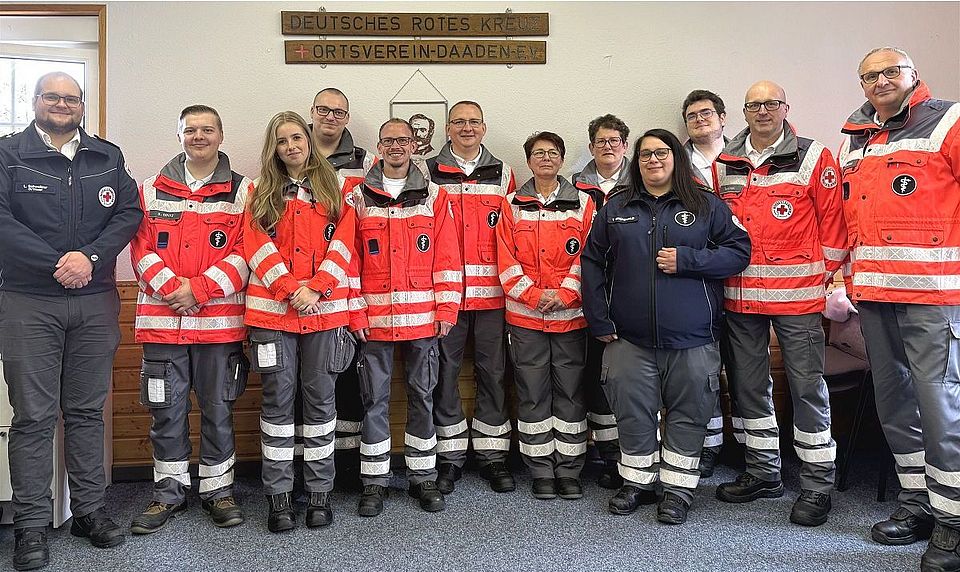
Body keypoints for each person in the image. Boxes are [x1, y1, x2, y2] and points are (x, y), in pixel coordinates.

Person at [0, 71, 142, 570]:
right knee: (34, 417)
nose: (62, 104)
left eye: (71, 98)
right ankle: (31, 525)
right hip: (28, 301)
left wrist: (91, 258)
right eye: (52, 96)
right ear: (34, 101)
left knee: (86, 411)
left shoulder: (107, 156)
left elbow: (129, 213)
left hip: (95, 300)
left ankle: (89, 511)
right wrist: (58, 264)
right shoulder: (8, 154)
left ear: (82, 105)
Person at [581, 128, 750, 524]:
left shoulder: (705, 204)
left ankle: (678, 490)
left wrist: (689, 260)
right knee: (632, 413)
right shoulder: (616, 207)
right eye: (645, 155)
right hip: (628, 338)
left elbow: (739, 251)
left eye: (661, 153)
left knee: (689, 415)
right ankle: (637, 482)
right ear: (636, 162)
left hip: (693, 338)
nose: (653, 160)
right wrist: (599, 318)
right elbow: (591, 261)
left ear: (676, 157)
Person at [838, 47, 960, 571]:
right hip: (874, 298)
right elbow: (849, 219)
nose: (880, 81)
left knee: (941, 408)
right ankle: (918, 504)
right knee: (896, 407)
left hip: (935, 297)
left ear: (913, 74)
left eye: (891, 71)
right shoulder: (855, 139)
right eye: (870, 75)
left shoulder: (948, 121)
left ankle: (954, 521)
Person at [713, 81, 847, 527]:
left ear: (785, 108)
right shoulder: (725, 161)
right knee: (749, 386)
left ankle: (817, 483)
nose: (763, 111)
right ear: (744, 112)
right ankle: (763, 472)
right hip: (741, 297)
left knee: (807, 388)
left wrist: (820, 277)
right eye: (754, 104)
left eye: (771, 103)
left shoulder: (813, 156)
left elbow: (834, 225)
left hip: (798, 298)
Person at [128, 105, 251, 535]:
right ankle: (169, 492)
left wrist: (198, 290)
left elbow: (246, 251)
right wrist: (173, 290)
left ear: (221, 135)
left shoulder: (244, 191)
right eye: (190, 130)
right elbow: (140, 249)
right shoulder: (149, 190)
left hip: (218, 326)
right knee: (166, 411)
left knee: (218, 409)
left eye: (207, 129)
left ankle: (219, 491)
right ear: (178, 135)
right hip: (163, 325)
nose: (199, 136)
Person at [243, 111, 362, 532]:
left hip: (324, 314)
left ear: (308, 141)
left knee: (321, 403)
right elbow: (255, 245)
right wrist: (290, 288)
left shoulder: (339, 189)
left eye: (297, 137)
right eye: (282, 141)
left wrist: (317, 289)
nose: (291, 146)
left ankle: (318, 493)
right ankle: (278, 497)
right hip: (273, 315)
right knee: (277, 402)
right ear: (273, 149)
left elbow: (345, 245)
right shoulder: (258, 191)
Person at [350, 118, 462, 517]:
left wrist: (447, 309)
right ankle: (374, 481)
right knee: (374, 400)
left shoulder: (435, 196)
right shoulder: (358, 196)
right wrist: (355, 312)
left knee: (422, 397)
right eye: (388, 141)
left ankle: (423, 476)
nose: (396, 146)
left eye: (403, 140)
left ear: (415, 146)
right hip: (374, 322)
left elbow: (448, 258)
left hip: (423, 320)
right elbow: (349, 260)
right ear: (379, 147)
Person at [496, 132, 595, 501]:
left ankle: (569, 470)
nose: (546, 158)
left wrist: (566, 294)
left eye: (553, 152)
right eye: (538, 153)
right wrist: (534, 296)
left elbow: (589, 255)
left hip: (571, 317)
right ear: (529, 161)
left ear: (562, 159)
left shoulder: (583, 203)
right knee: (532, 392)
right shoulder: (511, 205)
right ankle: (540, 469)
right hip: (525, 319)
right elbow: (505, 259)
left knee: (570, 392)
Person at [426, 101, 517, 495]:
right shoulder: (426, 171)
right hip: (445, 297)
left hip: (494, 297)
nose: (467, 128)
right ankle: (450, 457)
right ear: (448, 128)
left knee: (493, 373)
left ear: (484, 127)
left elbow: (513, 234)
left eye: (474, 122)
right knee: (444, 374)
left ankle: (493, 456)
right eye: (459, 122)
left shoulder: (504, 173)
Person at [308, 87, 375, 489]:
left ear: (347, 118)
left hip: (354, 283)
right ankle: (307, 469)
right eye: (324, 110)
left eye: (338, 112)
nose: (330, 117)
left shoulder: (367, 162)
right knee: (307, 383)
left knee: (350, 377)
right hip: (305, 290)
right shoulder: (292, 154)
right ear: (312, 112)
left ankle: (347, 467)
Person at [571, 114, 631, 490]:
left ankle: (635, 454)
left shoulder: (642, 182)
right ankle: (609, 456)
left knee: (631, 379)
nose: (607, 147)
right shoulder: (574, 186)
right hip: (589, 293)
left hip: (631, 292)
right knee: (595, 378)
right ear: (591, 147)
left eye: (614, 141)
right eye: (600, 142)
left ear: (625, 145)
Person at [681, 90, 730, 477]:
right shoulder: (676, 163)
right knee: (703, 371)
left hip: (749, 279)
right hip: (696, 281)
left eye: (706, 113)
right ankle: (709, 444)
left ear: (723, 117)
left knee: (747, 374)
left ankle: (748, 448)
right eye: (692, 116)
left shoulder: (744, 158)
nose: (700, 120)